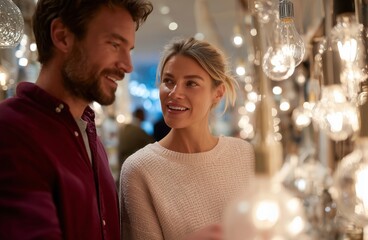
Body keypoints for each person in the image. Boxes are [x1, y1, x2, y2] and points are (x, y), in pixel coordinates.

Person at [0, 0, 153, 239]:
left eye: (129, 50)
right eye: (114, 44)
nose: (127, 65)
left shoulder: (88, 132)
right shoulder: (11, 130)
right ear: (63, 37)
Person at [120, 37, 255, 240]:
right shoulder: (139, 169)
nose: (175, 93)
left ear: (218, 93)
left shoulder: (243, 154)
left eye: (191, 83)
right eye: (168, 81)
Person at [117, 107, 154, 181]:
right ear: (140, 115)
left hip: (123, 164)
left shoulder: (126, 128)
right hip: (131, 166)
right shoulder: (138, 130)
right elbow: (152, 144)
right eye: (143, 114)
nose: (145, 116)